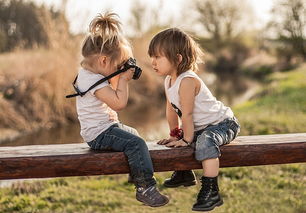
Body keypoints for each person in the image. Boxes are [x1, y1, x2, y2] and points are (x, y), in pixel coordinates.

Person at [72, 12, 168, 207]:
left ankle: (136, 173)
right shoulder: (93, 81)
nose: (120, 68)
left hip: (104, 128)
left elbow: (112, 88)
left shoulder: (90, 74)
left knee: (133, 134)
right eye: (117, 65)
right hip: (99, 134)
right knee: (137, 143)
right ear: (104, 61)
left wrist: (119, 72)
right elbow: (118, 103)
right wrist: (124, 78)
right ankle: (145, 187)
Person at [148, 28, 240, 211]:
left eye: (158, 57)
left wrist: (187, 139)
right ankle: (184, 174)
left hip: (222, 124)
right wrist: (175, 135)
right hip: (202, 127)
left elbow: (187, 114)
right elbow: (172, 111)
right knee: (182, 140)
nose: (153, 62)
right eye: (152, 57)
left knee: (204, 141)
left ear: (178, 58)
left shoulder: (188, 80)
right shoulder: (168, 80)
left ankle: (211, 191)